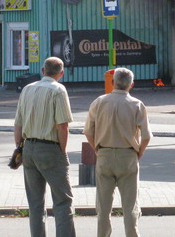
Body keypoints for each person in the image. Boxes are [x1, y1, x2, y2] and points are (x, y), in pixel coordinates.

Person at [84, 67, 152, 237]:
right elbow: (146, 136)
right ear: (132, 85)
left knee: (103, 208)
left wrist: (97, 149)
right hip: (128, 155)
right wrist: (139, 152)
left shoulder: (99, 102)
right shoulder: (137, 105)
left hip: (104, 154)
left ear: (113, 82)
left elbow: (88, 131)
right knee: (130, 207)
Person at [14, 56, 76, 237]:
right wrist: (62, 151)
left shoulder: (27, 89)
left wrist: (19, 149)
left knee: (35, 203)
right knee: (63, 201)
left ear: (43, 71)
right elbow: (62, 125)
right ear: (61, 73)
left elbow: (18, 124)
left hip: (29, 149)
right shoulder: (58, 90)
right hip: (50, 149)